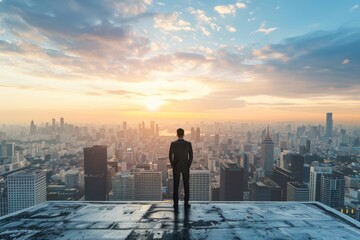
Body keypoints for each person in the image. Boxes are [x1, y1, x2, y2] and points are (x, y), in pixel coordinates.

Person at [169, 128, 193, 209]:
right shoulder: (188, 144)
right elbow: (191, 156)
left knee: (176, 186)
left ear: (177, 134)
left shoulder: (173, 144)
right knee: (186, 185)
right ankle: (186, 203)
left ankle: (175, 203)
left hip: (176, 167)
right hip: (185, 167)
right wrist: (188, 165)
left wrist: (173, 165)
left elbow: (170, 156)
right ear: (183, 134)